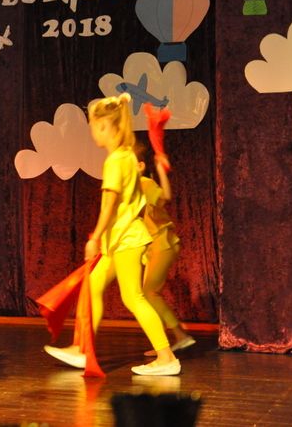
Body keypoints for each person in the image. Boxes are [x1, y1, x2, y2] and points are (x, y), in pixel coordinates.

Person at [44, 94, 180, 376]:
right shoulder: (127, 156)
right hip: (119, 239)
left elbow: (109, 205)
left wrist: (94, 238)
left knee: (133, 298)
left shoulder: (116, 161)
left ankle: (166, 357)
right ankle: (82, 349)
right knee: (92, 287)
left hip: (126, 239)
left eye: (94, 127)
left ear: (107, 127)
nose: (93, 133)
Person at [133, 141, 194, 356]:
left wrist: (160, 170)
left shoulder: (144, 183)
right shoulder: (133, 187)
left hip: (162, 242)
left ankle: (178, 337)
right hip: (154, 245)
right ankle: (167, 343)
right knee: (147, 294)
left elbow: (165, 196)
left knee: (148, 293)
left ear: (140, 166)